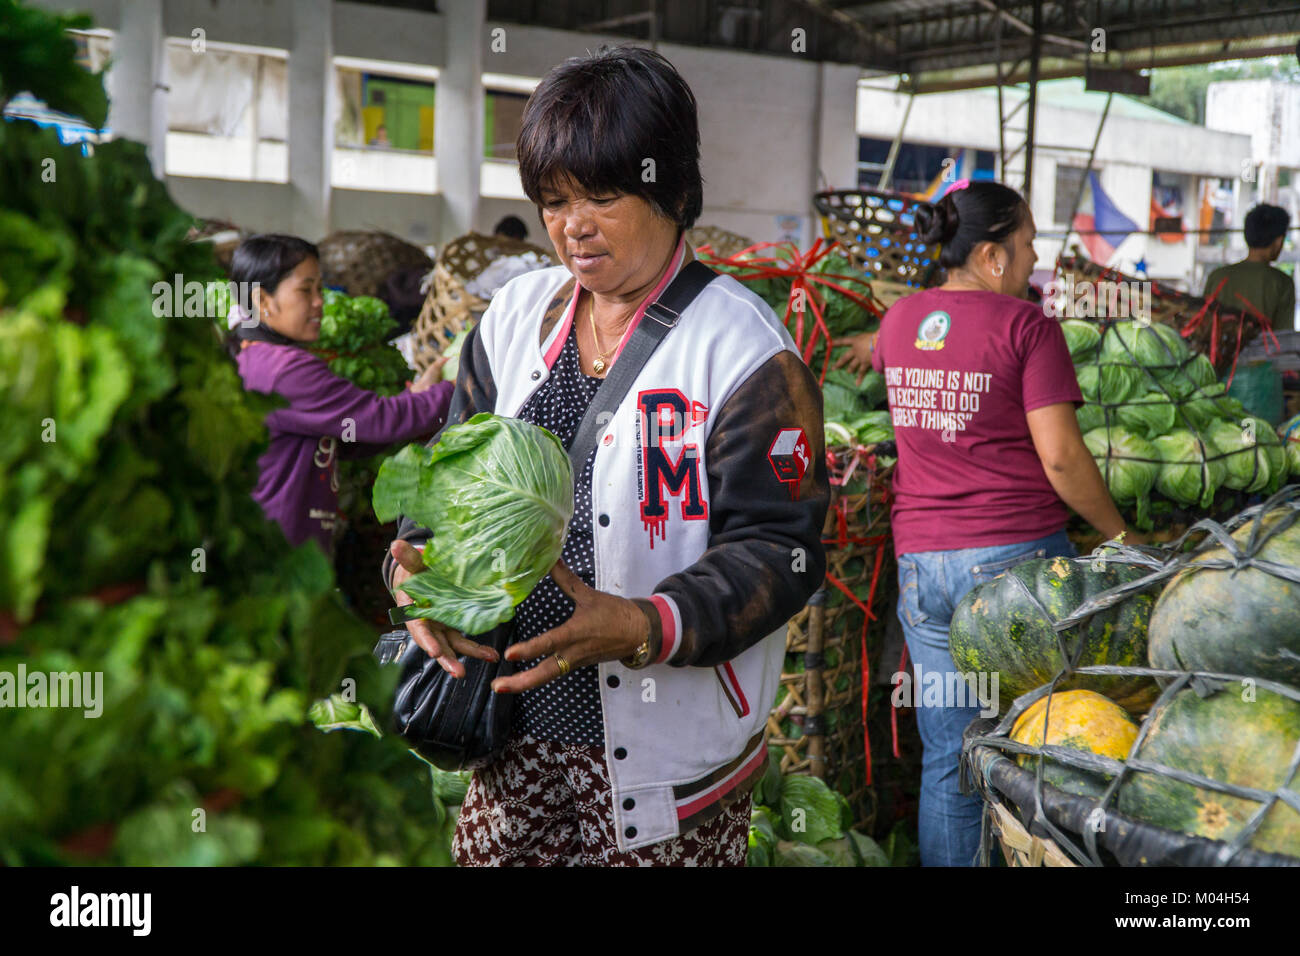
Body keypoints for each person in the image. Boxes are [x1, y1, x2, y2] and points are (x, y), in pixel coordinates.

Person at [380, 47, 829, 867]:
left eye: (602, 195)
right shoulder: (514, 319)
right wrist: (418, 574)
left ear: (675, 192)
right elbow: (447, 484)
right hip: (510, 740)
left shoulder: (743, 353)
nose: (571, 226)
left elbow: (782, 550)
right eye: (553, 201)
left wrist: (641, 624)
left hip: (665, 764)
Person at [836, 180, 1146, 867]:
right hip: (1017, 578)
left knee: (951, 755)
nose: (1036, 258)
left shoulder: (901, 321)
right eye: (1029, 242)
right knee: (1040, 750)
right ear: (992, 254)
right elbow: (1063, 460)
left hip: (925, 571)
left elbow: (900, 352)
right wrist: (1125, 539)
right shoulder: (1027, 328)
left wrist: (872, 341)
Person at [230, 234, 453, 555]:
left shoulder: (255, 357)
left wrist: (418, 395)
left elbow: (346, 438)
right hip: (280, 553)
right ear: (262, 301)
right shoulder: (284, 369)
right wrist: (454, 388)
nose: (319, 301)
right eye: (305, 290)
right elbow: (381, 419)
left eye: (319, 288)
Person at [1203, 204, 1295, 333]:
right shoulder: (1282, 283)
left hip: (1219, 353)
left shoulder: (1217, 276)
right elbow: (1283, 336)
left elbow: (1203, 325)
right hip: (1262, 353)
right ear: (1279, 241)